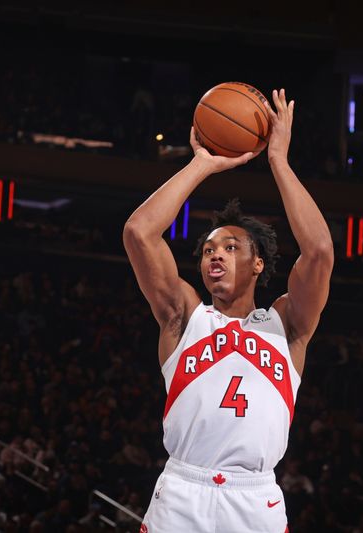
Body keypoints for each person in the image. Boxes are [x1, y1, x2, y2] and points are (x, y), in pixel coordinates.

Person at [123, 88, 334, 532]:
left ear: (258, 263)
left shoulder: (286, 325)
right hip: (183, 490)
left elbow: (318, 251)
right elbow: (140, 232)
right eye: (207, 250)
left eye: (231, 247)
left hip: (254, 497)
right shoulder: (183, 317)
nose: (215, 255)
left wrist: (279, 161)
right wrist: (202, 162)